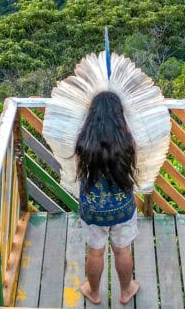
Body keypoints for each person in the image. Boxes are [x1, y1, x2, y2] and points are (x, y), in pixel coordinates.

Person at [75, 91, 140, 305]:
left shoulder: (83, 143)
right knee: (122, 251)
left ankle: (93, 292)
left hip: (92, 210)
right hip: (122, 208)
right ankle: (126, 290)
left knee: (95, 253)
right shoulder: (128, 142)